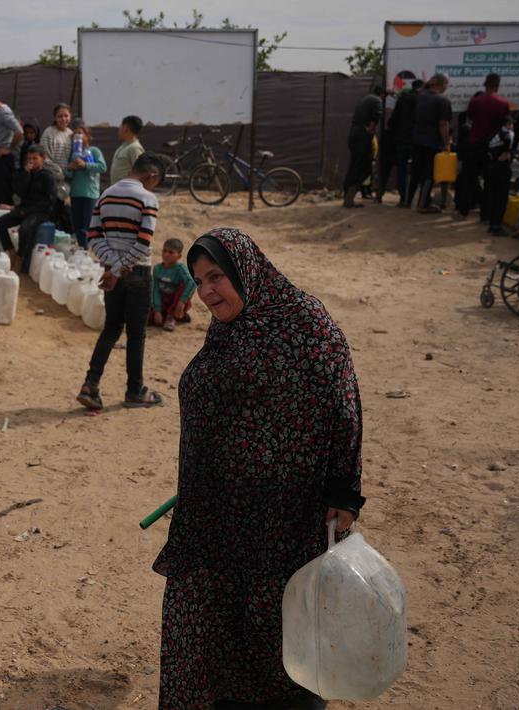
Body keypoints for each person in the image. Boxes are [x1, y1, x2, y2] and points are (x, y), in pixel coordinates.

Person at [156, 227, 364, 710]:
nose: (207, 291)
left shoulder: (305, 322)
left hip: (284, 520)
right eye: (199, 281)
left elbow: (343, 407)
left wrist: (344, 494)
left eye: (216, 277)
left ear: (246, 271)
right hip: (219, 519)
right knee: (217, 635)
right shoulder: (227, 329)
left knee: (283, 639)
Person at [76, 153, 164, 410]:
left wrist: (112, 267)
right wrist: (119, 268)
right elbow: (144, 241)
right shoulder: (148, 198)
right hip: (136, 272)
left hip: (111, 273)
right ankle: (135, 390)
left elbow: (93, 235)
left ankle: (90, 385)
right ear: (152, 176)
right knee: (136, 334)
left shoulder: (105, 194)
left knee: (112, 328)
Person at [0, 145, 60, 272]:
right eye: (29, 158)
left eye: (35, 158)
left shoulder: (47, 177)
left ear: (43, 159)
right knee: (0, 223)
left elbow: (49, 201)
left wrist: (27, 211)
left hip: (41, 212)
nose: (31, 161)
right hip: (25, 208)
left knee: (24, 228)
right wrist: (26, 175)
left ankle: (20, 258)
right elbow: (20, 193)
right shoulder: (26, 174)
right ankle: (11, 252)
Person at [456, 74, 509, 221]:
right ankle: (485, 214)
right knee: (490, 181)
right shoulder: (502, 103)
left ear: (485, 84)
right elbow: (503, 125)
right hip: (492, 147)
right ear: (497, 85)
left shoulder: (475, 101)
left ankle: (463, 210)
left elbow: (472, 118)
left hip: (474, 144)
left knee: (469, 179)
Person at [409, 73, 452, 213]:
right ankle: (423, 204)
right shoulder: (442, 100)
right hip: (432, 143)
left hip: (417, 140)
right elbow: (443, 124)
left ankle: (408, 201)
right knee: (428, 174)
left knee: (417, 171)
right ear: (442, 84)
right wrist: (446, 143)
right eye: (446, 84)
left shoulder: (421, 96)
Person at [66, 121, 106, 248]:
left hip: (90, 193)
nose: (78, 136)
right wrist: (71, 168)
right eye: (75, 134)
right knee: (77, 224)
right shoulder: (73, 155)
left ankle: (88, 248)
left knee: (87, 224)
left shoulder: (94, 151)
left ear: (87, 136)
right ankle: (82, 248)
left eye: (80, 133)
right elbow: (68, 175)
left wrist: (86, 165)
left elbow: (102, 167)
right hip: (76, 193)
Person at [382, 79, 421, 206]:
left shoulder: (402, 100)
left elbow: (392, 121)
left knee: (401, 170)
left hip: (401, 141)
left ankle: (402, 199)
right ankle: (413, 200)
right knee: (416, 171)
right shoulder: (422, 101)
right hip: (416, 142)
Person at [343, 86, 383, 208]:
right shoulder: (377, 100)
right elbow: (377, 115)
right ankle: (350, 196)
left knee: (354, 166)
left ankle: (347, 196)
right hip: (363, 135)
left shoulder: (364, 99)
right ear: (382, 94)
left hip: (354, 134)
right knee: (364, 168)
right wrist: (371, 130)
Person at [151, 238, 195, 331]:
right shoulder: (157, 268)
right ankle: (180, 316)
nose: (166, 254)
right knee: (148, 318)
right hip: (163, 301)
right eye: (164, 251)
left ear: (179, 256)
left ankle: (171, 317)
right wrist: (157, 310)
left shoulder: (180, 268)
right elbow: (155, 290)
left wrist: (182, 301)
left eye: (171, 252)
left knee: (183, 285)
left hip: (176, 302)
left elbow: (192, 282)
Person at [484, 115, 516, 236]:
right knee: (501, 198)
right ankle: (497, 226)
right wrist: (507, 152)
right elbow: (508, 140)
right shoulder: (508, 133)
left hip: (492, 167)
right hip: (502, 168)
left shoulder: (493, 134)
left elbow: (487, 146)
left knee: (492, 196)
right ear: (508, 123)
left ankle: (492, 224)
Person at [41, 103, 73, 195]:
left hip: (67, 182)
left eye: (66, 116)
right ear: (55, 118)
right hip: (52, 180)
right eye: (60, 116)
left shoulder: (71, 134)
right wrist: (60, 173)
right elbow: (44, 157)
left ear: (70, 116)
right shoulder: (49, 133)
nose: (63, 119)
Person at [110, 115, 145, 185]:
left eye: (120, 127)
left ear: (125, 128)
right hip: (117, 190)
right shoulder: (123, 146)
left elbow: (142, 172)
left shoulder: (135, 148)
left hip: (126, 192)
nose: (118, 129)